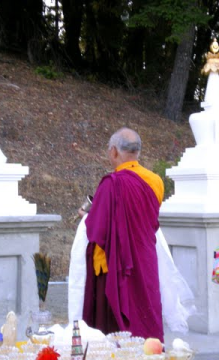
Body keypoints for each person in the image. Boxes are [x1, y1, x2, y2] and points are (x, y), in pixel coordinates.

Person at [81, 127, 165, 341]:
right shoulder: (155, 181)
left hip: (116, 265)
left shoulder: (111, 184)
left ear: (114, 152)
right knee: (146, 316)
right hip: (145, 260)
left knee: (117, 329)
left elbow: (97, 229)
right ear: (138, 152)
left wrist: (85, 215)